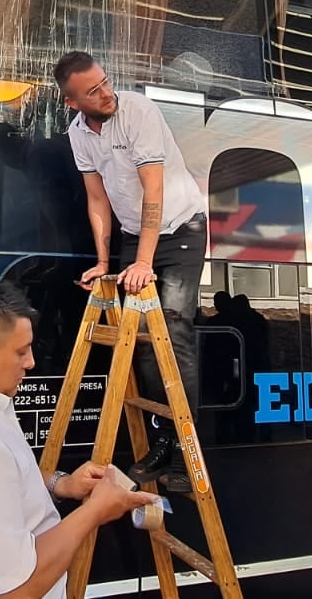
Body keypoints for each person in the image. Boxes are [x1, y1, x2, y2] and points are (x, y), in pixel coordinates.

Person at [0, 281, 156, 599]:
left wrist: (60, 484)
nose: (31, 362)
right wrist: (95, 511)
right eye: (21, 351)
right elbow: (18, 590)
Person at [55, 50, 207, 493]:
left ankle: (187, 449)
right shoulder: (78, 133)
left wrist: (144, 260)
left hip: (178, 231)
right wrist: (105, 261)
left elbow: (153, 189)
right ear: (72, 102)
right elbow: (97, 200)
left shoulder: (138, 110)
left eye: (105, 82)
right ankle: (161, 440)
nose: (106, 94)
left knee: (175, 333)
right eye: (93, 91)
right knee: (141, 343)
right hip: (131, 234)